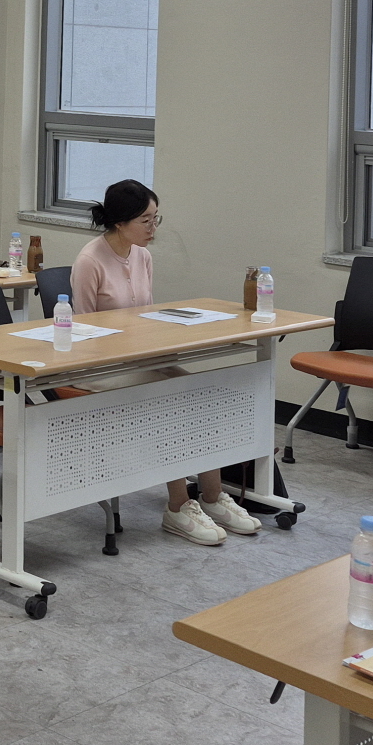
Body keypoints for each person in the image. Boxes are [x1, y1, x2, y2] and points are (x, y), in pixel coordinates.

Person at [71, 180, 262, 545]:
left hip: (140, 359)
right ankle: (178, 506)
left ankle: (212, 497)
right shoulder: (89, 261)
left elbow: (145, 313)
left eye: (156, 219)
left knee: (201, 393)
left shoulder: (142, 255)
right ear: (120, 221)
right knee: (167, 403)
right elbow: (82, 332)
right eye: (146, 220)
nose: (153, 228)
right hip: (98, 369)